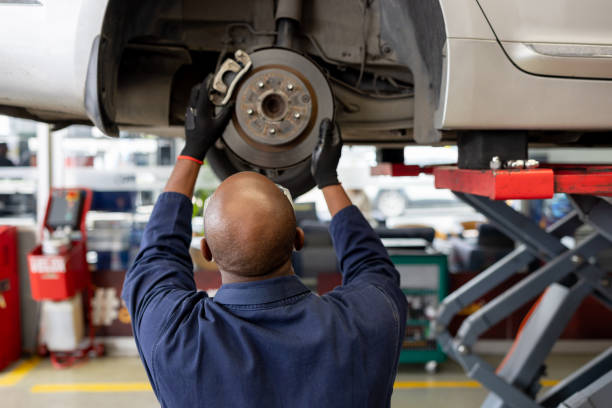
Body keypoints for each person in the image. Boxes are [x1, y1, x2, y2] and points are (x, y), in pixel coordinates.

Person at [122, 80, 407, 407]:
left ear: (208, 252)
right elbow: (372, 266)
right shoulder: (364, 324)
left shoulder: (172, 336)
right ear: (298, 240)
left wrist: (194, 148)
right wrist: (328, 179)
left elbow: (158, 255)